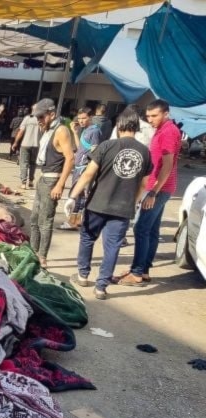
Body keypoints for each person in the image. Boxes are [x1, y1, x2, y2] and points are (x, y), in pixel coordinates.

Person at [67, 108, 153, 299]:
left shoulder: (106, 146)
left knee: (88, 237)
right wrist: (134, 201)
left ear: (119, 125)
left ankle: (83, 275)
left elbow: (88, 174)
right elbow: (144, 184)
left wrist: (73, 196)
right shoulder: (145, 152)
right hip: (123, 208)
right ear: (136, 127)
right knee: (112, 246)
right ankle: (101, 287)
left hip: (98, 203)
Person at [117, 99, 182, 286]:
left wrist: (153, 192)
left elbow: (168, 165)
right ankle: (143, 270)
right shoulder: (162, 130)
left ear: (166, 114)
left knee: (141, 228)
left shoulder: (168, 131)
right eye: (148, 116)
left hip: (158, 189)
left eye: (155, 116)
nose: (151, 120)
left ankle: (137, 272)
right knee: (152, 230)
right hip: (159, 187)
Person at [28, 98, 75, 268]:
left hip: (52, 179)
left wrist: (60, 184)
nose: (39, 120)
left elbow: (70, 158)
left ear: (52, 114)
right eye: (37, 118)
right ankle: (33, 251)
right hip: (44, 178)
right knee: (34, 219)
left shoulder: (61, 130)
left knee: (45, 221)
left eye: (41, 117)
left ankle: (42, 257)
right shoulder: (47, 130)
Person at [61, 107, 102, 229]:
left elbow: (95, 150)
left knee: (80, 194)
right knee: (78, 194)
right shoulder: (85, 130)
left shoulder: (94, 131)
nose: (81, 120)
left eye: (84, 118)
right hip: (79, 166)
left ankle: (74, 221)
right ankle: (75, 220)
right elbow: (81, 148)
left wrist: (89, 169)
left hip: (84, 167)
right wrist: (74, 132)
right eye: (79, 118)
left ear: (90, 117)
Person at [12, 104, 41, 189]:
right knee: (33, 164)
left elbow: (21, 131)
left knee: (24, 163)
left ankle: (23, 183)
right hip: (36, 145)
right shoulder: (42, 119)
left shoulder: (27, 119)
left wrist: (15, 142)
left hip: (25, 144)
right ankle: (31, 181)